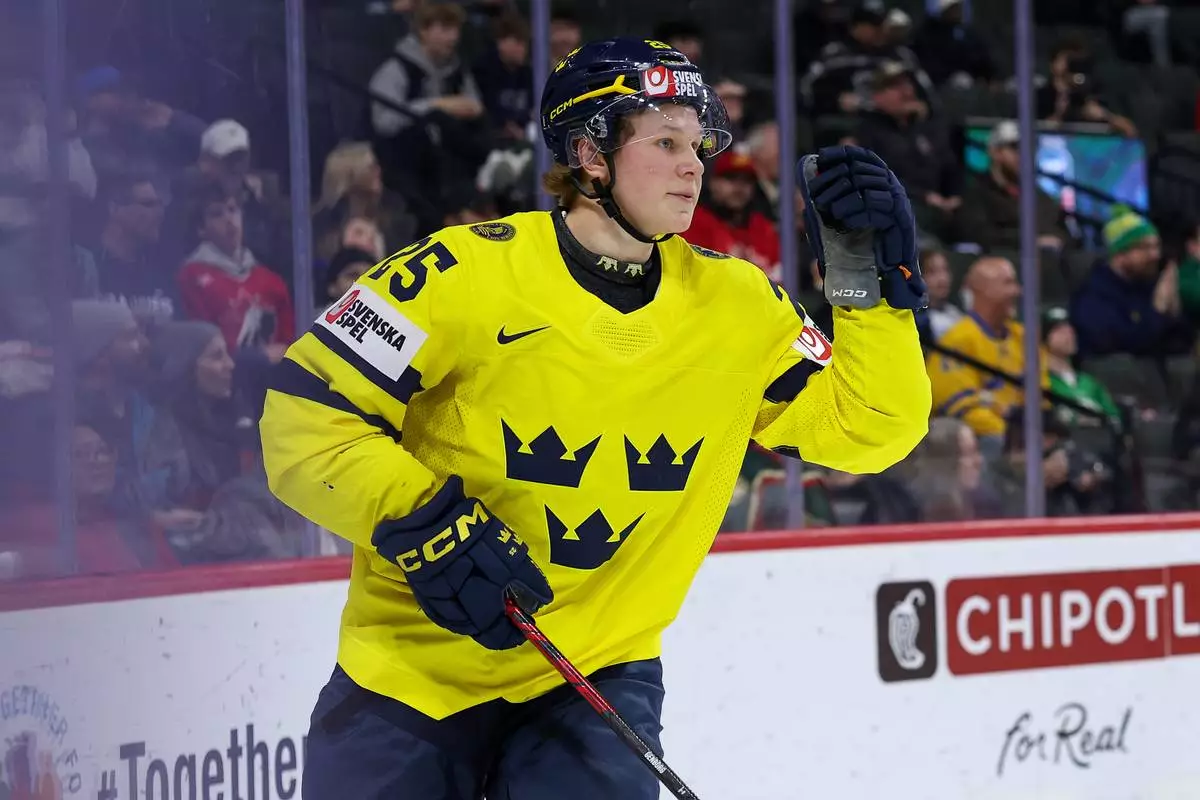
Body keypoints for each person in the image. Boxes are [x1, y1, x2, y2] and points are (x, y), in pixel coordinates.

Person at [260, 37, 931, 799]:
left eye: (699, 144)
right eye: (666, 142)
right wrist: (420, 519)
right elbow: (301, 416)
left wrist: (867, 295)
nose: (694, 166)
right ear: (589, 152)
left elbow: (873, 429)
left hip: (597, 679)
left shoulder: (739, 306)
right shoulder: (457, 273)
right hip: (407, 678)